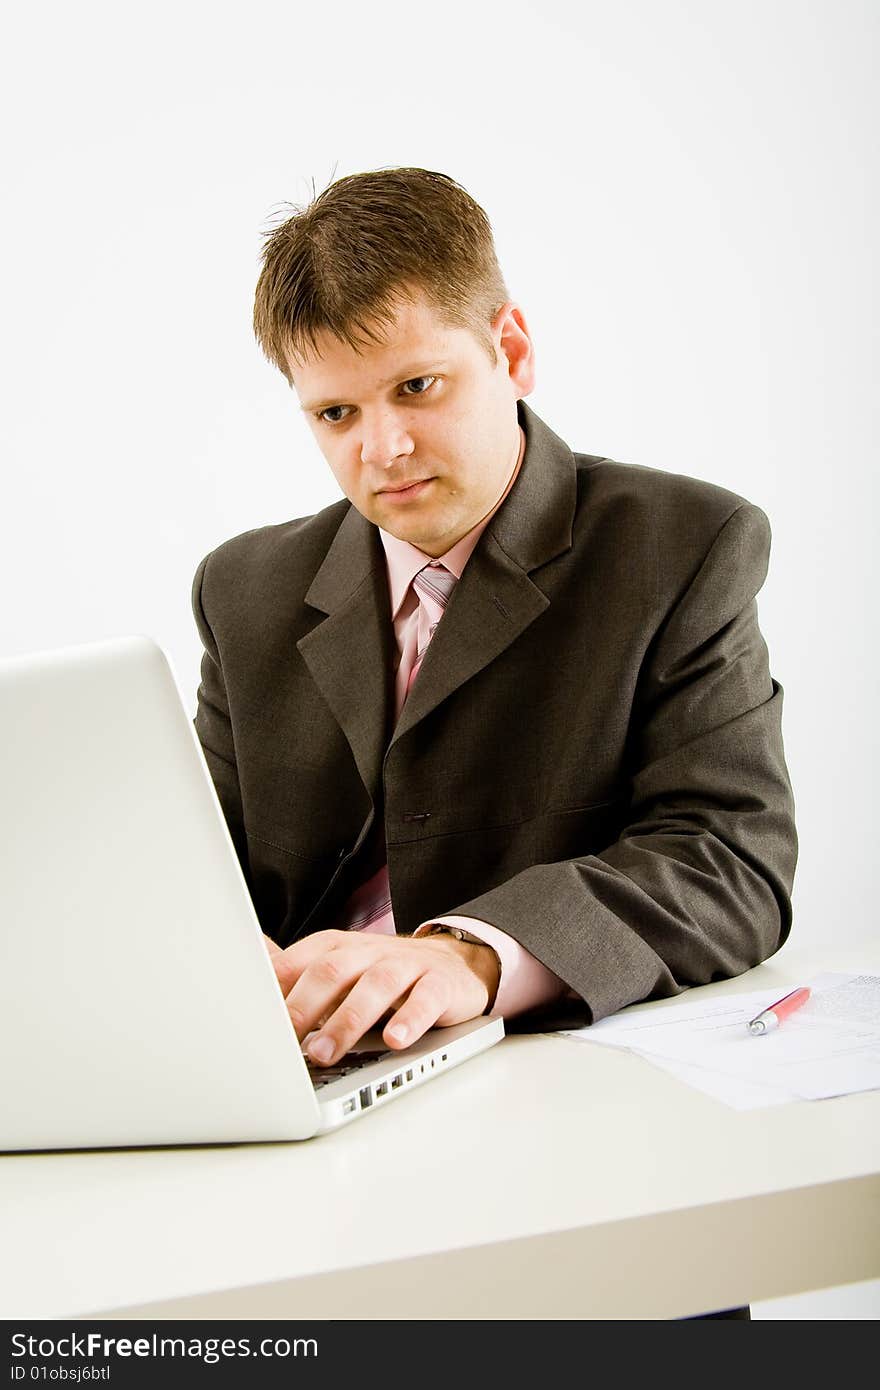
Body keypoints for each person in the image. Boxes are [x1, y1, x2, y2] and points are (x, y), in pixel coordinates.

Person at [192, 164, 797, 1076]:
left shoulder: (683, 545)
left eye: (418, 388)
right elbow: (195, 873)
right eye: (335, 413)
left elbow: (729, 862)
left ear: (511, 352)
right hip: (295, 1070)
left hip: (550, 1077)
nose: (381, 450)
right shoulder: (244, 588)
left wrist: (468, 955)